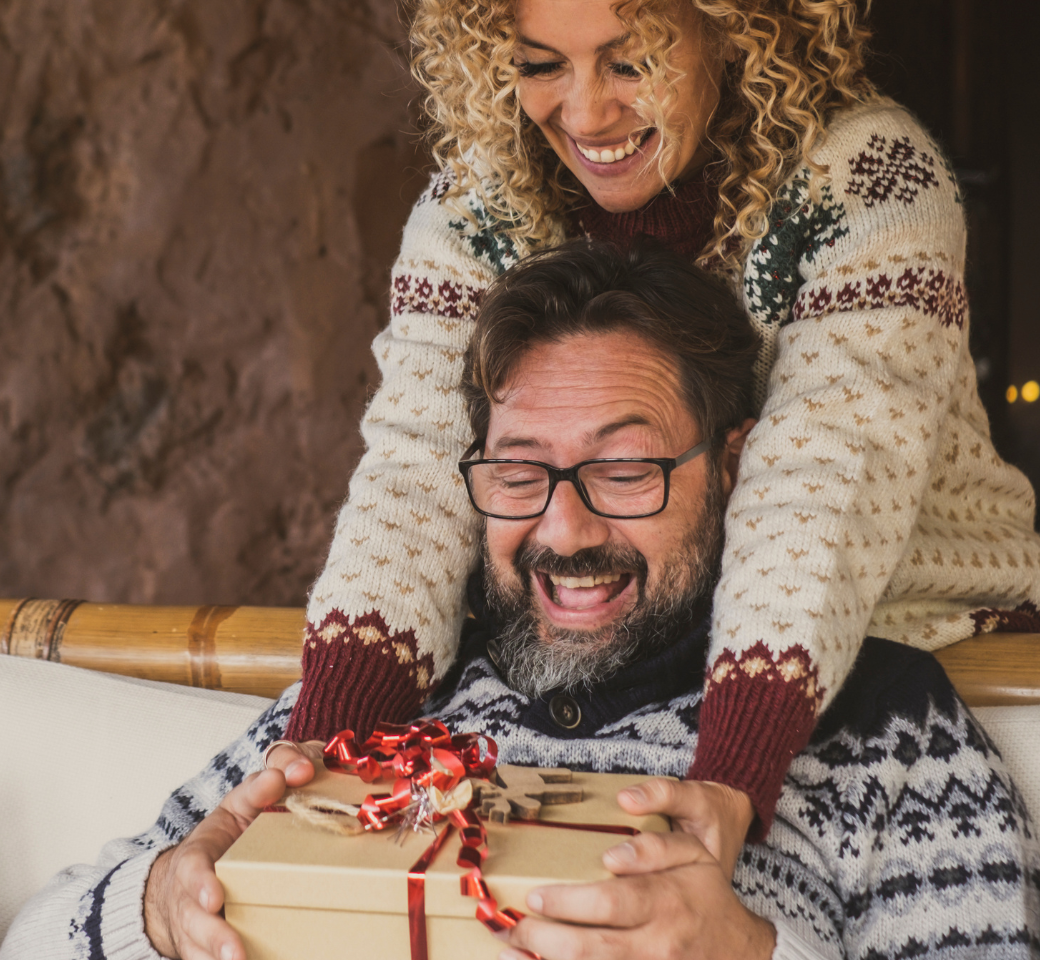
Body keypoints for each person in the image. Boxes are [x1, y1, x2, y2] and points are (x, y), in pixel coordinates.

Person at [0, 242, 1040, 960]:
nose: (563, 529)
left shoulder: (878, 724)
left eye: (625, 470)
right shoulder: (384, 702)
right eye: (519, 472)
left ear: (734, 469)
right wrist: (161, 910)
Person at [281, 0, 1040, 870]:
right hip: (638, 656)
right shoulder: (476, 200)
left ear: (737, 25)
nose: (586, 112)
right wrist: (320, 753)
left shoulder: (871, 177)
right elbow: (417, 470)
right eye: (540, 66)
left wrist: (728, 782)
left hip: (901, 640)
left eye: (631, 61)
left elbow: (823, 483)